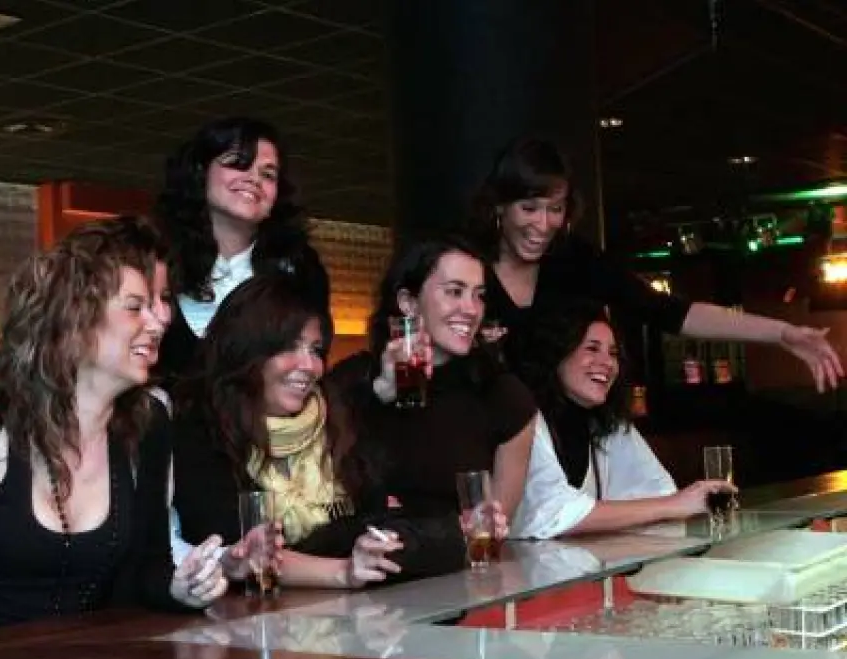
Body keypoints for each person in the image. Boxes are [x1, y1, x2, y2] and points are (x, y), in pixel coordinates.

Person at [0, 218, 227, 648]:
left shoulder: (148, 427)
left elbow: (147, 567)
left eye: (161, 302)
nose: (160, 320)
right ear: (74, 319)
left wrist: (181, 587)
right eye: (135, 306)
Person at [471, 137, 843, 390]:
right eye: (529, 208)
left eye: (555, 209)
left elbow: (671, 312)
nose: (543, 224)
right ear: (500, 206)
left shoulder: (576, 261)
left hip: (559, 449)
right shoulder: (465, 266)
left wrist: (781, 333)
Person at [172, 276, 469, 588]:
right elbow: (234, 553)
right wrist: (344, 569)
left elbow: (379, 522)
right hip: (252, 614)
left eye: (315, 350)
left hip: (356, 610)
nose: (309, 365)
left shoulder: (335, 416)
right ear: (246, 351)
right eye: (289, 347)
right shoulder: (202, 431)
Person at [330, 235, 537, 522]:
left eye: (479, 295)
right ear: (408, 303)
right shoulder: (350, 380)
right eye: (454, 292)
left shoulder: (502, 395)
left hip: (453, 550)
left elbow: (492, 529)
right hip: (358, 548)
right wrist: (380, 394)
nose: (471, 309)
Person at [511, 301, 737, 538]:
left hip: (583, 558)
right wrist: (674, 504)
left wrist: (677, 503)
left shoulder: (608, 423)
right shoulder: (524, 420)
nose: (607, 363)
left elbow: (656, 490)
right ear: (556, 355)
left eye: (613, 353)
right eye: (592, 349)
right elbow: (552, 512)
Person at [153, 116, 329, 387]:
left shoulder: (301, 270)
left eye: (268, 174)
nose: (253, 179)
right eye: (238, 162)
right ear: (201, 171)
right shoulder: (157, 261)